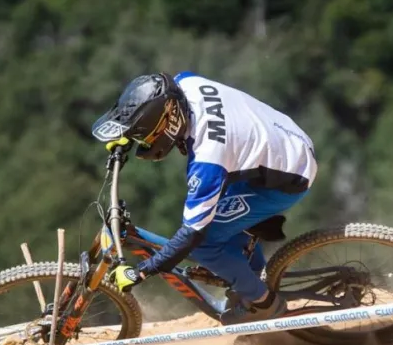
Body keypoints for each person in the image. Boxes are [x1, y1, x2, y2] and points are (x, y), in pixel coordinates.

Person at [91, 71, 317, 325]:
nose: (144, 143)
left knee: (204, 243)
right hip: (283, 137)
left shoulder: (207, 160)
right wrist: (131, 132)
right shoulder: (184, 84)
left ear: (171, 121)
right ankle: (249, 274)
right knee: (215, 224)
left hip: (289, 175)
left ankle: (262, 303)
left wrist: (143, 270)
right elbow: (155, 100)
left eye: (145, 137)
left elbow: (193, 233)